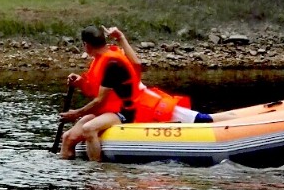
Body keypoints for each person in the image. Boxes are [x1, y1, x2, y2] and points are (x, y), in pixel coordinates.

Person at [61, 25, 209, 159]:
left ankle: (97, 174)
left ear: (86, 45)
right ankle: (67, 174)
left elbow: (100, 100)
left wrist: (77, 113)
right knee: (67, 137)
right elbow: (96, 88)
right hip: (106, 110)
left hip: (122, 111)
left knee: (88, 128)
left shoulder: (112, 63)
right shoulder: (101, 58)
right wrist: (80, 82)